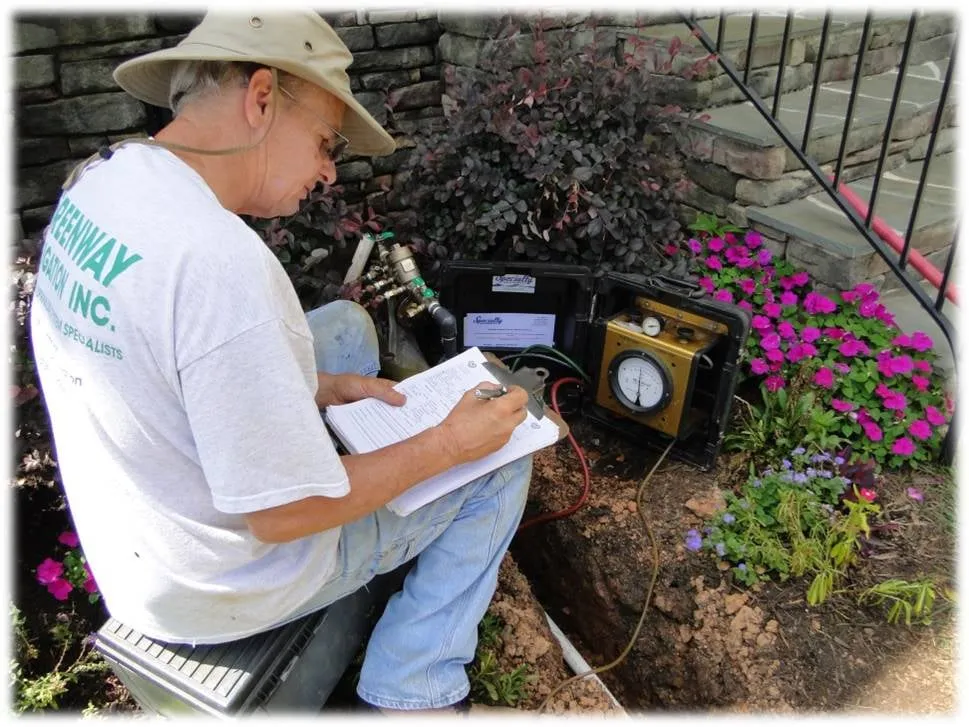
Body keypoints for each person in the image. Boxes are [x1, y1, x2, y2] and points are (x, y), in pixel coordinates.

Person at [29, 10, 533, 714]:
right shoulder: (218, 263)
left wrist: (316, 387)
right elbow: (285, 512)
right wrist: (449, 444)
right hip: (218, 586)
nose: (328, 171)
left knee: (345, 329)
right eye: (326, 142)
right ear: (261, 98)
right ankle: (412, 687)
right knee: (501, 461)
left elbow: (161, 356)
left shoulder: (106, 176)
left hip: (137, 547)